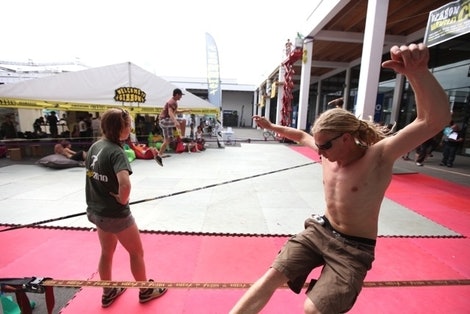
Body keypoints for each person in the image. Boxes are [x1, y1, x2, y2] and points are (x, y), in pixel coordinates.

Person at [230, 43, 450, 314]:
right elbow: (300, 136)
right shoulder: (327, 152)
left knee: (314, 309)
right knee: (270, 278)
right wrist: (272, 126)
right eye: (318, 146)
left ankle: (326, 289)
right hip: (320, 230)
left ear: (346, 138)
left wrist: (418, 73)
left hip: (354, 248)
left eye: (325, 146)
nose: (319, 152)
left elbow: (433, 120)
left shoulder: (378, 156)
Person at [85, 108, 167, 308]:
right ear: (119, 129)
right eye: (128, 125)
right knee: (136, 252)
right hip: (116, 214)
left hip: (97, 212)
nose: (130, 128)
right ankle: (145, 290)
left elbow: (89, 175)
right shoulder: (117, 152)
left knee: (106, 252)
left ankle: (108, 291)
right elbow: (125, 183)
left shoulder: (95, 147)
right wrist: (122, 200)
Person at [157, 88, 186, 165]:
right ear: (176, 94)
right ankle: (183, 137)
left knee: (168, 140)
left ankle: (159, 155)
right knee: (182, 121)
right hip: (164, 120)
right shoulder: (171, 102)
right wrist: (175, 121)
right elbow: (170, 113)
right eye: (180, 95)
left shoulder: (174, 102)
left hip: (164, 121)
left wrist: (185, 110)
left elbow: (175, 111)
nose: (181, 97)